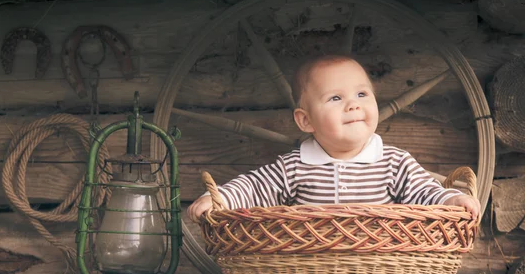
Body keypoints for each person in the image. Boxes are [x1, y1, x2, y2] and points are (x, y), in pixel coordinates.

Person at [188, 55, 480, 221]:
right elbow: (254, 187)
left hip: (380, 265)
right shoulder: (295, 166)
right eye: (336, 98)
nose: (353, 105)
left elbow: (424, 191)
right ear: (305, 120)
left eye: (362, 94)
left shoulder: (394, 162)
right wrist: (219, 198)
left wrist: (451, 197)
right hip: (313, 268)